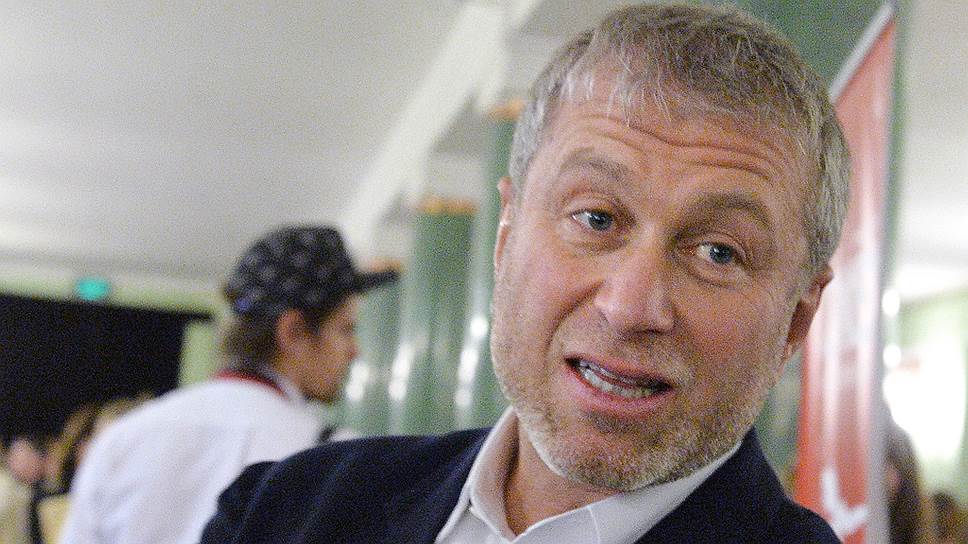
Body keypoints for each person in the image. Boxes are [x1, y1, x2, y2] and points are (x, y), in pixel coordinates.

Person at [202, 4, 847, 543]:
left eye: (718, 253)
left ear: (796, 321)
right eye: (596, 218)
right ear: (506, 236)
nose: (630, 305)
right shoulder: (285, 511)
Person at [59, 225, 396, 544]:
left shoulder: (123, 439)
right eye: (345, 329)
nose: (354, 350)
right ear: (292, 332)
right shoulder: (334, 460)